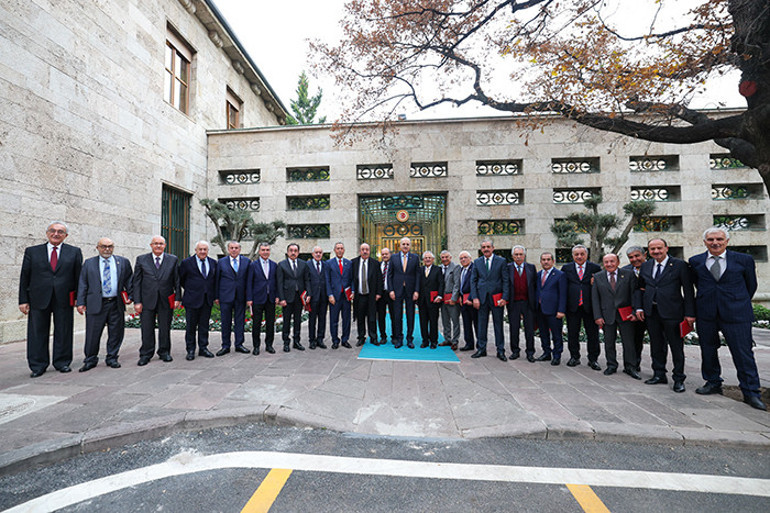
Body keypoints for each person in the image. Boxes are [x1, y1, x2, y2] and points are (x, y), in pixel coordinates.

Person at [690, 227, 766, 410]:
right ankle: (713, 382)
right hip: (706, 313)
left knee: (743, 352)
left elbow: (751, 286)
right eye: (710, 239)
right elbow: (697, 284)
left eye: (719, 239)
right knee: (708, 350)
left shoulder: (744, 260)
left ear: (727, 241)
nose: (715, 242)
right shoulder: (696, 261)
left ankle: (751, 392)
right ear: (704, 242)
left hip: (736, 313)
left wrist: (735, 302)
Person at [19, 222, 83, 377]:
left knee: (64, 331)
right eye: (53, 231)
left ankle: (62, 362)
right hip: (38, 298)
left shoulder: (74, 252)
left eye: (60, 232)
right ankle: (38, 365)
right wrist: (23, 300)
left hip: (64, 298)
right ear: (47, 233)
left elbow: (78, 278)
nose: (56, 234)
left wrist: (79, 300)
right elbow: (24, 276)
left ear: (65, 236)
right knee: (37, 332)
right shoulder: (32, 252)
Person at [635, 238, 695, 393]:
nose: (656, 251)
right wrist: (639, 308)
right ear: (648, 251)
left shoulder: (680, 265)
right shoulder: (646, 265)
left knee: (676, 346)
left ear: (666, 248)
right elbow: (640, 288)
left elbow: (688, 291)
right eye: (652, 249)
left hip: (673, 312)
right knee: (656, 345)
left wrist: (690, 313)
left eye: (659, 248)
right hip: (651, 312)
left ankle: (679, 378)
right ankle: (659, 374)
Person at [75, 237, 132, 371]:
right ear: (97, 247)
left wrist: (131, 295)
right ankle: (90, 359)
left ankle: (112, 357)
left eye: (110, 246)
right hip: (95, 303)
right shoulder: (89, 263)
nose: (107, 249)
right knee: (92, 333)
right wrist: (81, 302)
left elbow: (129, 280)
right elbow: (83, 283)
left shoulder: (122, 262)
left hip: (115, 303)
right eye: (104, 246)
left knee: (116, 333)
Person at [133, 236, 180, 366]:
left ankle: (164, 352)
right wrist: (137, 301)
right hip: (147, 299)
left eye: (161, 244)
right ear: (151, 245)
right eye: (155, 244)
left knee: (165, 327)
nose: (158, 246)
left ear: (165, 245)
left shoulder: (173, 259)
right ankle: (146, 354)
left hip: (166, 299)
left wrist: (177, 298)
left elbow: (177, 280)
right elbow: (136, 282)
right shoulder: (142, 259)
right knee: (147, 328)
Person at [592, 253, 639, 378]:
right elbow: (595, 298)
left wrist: (634, 312)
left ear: (617, 262)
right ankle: (611, 365)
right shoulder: (598, 277)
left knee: (629, 342)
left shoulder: (628, 274)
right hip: (607, 314)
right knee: (609, 342)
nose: (609, 264)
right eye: (606, 262)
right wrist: (597, 316)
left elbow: (634, 294)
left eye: (612, 261)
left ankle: (630, 367)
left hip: (626, 314)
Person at [561, 245, 602, 369]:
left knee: (593, 334)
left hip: (590, 307)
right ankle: (574, 357)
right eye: (576, 254)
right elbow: (563, 287)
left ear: (586, 255)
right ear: (572, 255)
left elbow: (600, 286)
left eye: (582, 254)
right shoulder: (566, 268)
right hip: (572, 307)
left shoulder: (595, 268)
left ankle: (593, 359)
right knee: (573, 333)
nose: (579, 257)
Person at [470, 239, 509, 360]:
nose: (486, 249)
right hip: (481, 299)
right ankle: (481, 349)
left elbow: (505, 280)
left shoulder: (501, 261)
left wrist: (504, 298)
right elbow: (473, 281)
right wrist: (475, 297)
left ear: (493, 248)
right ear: (481, 249)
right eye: (483, 247)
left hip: (496, 298)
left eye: (488, 246)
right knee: (481, 325)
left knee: (498, 324)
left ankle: (500, 350)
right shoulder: (477, 262)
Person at [179, 241, 217, 361]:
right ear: (195, 250)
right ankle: (190, 350)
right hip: (192, 299)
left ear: (207, 251)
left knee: (204, 325)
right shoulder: (186, 263)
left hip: (207, 299)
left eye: (205, 249)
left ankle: (203, 348)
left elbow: (214, 280)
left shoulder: (213, 263)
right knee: (191, 326)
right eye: (200, 249)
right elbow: (182, 280)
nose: (202, 252)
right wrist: (193, 290)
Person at [215, 241, 252, 356]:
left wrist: (249, 297)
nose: (234, 250)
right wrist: (216, 296)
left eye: (236, 248)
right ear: (228, 249)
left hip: (240, 296)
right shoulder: (221, 262)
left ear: (240, 249)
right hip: (225, 296)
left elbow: (249, 281)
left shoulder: (247, 262)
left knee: (240, 322)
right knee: (225, 322)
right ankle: (225, 345)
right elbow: (216, 280)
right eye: (232, 248)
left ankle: (239, 344)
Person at [387, 237, 421, 349]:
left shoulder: (415, 258)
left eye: (407, 244)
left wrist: (416, 290)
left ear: (410, 246)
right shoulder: (393, 258)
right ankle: (399, 338)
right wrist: (391, 290)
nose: (405, 246)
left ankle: (409, 339)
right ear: (400, 245)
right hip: (397, 291)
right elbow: (390, 275)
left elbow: (418, 276)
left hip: (411, 291)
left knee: (410, 315)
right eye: (403, 244)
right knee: (397, 316)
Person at [506, 245, 537, 362]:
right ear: (512, 256)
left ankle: (530, 352)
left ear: (524, 256)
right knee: (514, 328)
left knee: (529, 329)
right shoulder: (507, 268)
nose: (518, 257)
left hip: (528, 302)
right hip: (513, 303)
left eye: (520, 254)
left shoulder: (531, 268)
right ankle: (515, 351)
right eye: (516, 255)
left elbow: (534, 285)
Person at [276, 243, 309, 352]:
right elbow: (279, 283)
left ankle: (296, 341)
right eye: (291, 250)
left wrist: (307, 294)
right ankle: (286, 342)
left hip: (299, 297)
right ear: (287, 252)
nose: (293, 252)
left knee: (297, 320)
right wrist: (281, 298)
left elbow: (306, 280)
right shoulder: (282, 265)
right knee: (286, 321)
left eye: (295, 250)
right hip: (287, 297)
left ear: (298, 252)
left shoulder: (303, 264)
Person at [535, 252, 567, 365]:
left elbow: (563, 294)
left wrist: (561, 310)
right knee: (543, 333)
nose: (546, 262)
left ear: (553, 261)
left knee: (556, 334)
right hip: (540, 309)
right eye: (543, 259)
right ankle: (546, 353)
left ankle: (557, 355)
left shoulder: (560, 275)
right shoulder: (538, 275)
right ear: (541, 262)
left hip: (554, 311)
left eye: (548, 259)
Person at [248, 242, 278, 355]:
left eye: (267, 250)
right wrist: (249, 298)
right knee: (256, 324)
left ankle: (269, 345)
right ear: (259, 252)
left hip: (271, 299)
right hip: (257, 299)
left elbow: (276, 282)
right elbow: (249, 283)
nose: (265, 252)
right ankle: (256, 346)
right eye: (263, 250)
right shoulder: (253, 265)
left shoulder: (274, 265)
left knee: (270, 323)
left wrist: (277, 296)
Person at [351, 243, 382, 346]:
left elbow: (379, 280)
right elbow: (351, 279)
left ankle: (373, 337)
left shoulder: (375, 263)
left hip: (371, 295)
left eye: (367, 249)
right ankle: (361, 337)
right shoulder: (354, 262)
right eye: (363, 249)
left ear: (369, 251)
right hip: (359, 296)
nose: (365, 251)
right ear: (360, 251)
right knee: (360, 318)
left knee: (372, 317)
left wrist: (378, 293)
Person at [623, 246, 647, 372]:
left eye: (637, 256)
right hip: (633, 312)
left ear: (645, 255)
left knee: (659, 342)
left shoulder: (652, 268)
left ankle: (659, 371)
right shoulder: (625, 271)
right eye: (631, 257)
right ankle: (633, 365)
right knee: (634, 340)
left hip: (652, 310)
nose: (634, 259)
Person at [326, 241, 354, 349]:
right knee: (334, 319)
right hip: (335, 296)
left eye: (341, 248)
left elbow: (352, 279)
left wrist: (353, 292)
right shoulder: (329, 263)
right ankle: (335, 340)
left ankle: (345, 339)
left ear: (344, 250)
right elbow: (327, 280)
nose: (340, 250)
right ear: (334, 250)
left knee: (346, 319)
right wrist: (330, 294)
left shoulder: (349, 263)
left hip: (346, 297)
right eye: (338, 248)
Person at [418, 251, 444, 349]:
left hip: (434, 300)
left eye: (429, 258)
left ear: (433, 259)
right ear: (423, 260)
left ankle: (434, 341)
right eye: (426, 258)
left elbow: (441, 283)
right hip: (422, 301)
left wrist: (440, 295)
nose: (427, 259)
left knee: (433, 322)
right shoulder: (420, 270)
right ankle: (425, 341)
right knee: (423, 322)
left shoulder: (438, 269)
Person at [306, 246, 329, 349]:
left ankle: (320, 339)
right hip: (313, 297)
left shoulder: (326, 265)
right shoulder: (308, 265)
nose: (318, 254)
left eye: (320, 252)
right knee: (312, 320)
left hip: (323, 297)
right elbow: (307, 280)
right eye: (316, 252)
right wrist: (309, 294)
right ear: (312, 254)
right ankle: (312, 340)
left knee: (322, 319)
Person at [438, 250, 461, 350]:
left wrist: (454, 298)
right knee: (445, 320)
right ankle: (447, 339)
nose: (444, 259)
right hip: (442, 298)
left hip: (451, 298)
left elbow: (457, 284)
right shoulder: (439, 268)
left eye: (446, 257)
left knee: (455, 321)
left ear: (450, 257)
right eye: (442, 257)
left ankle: (455, 341)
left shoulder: (455, 267)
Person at [457, 251, 477, 352]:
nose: (463, 260)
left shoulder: (474, 268)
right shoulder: (461, 270)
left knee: (477, 324)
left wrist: (471, 298)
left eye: (465, 257)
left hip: (472, 301)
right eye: (461, 258)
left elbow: (476, 284)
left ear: (470, 258)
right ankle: (469, 343)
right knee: (466, 323)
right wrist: (460, 296)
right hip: (463, 301)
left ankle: (480, 345)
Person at [376, 247, 394, 344]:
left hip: (391, 293)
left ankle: (394, 336)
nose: (384, 256)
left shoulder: (394, 265)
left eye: (386, 254)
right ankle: (383, 336)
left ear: (390, 254)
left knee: (393, 316)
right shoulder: (378, 265)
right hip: (381, 294)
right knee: (381, 316)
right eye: (383, 254)